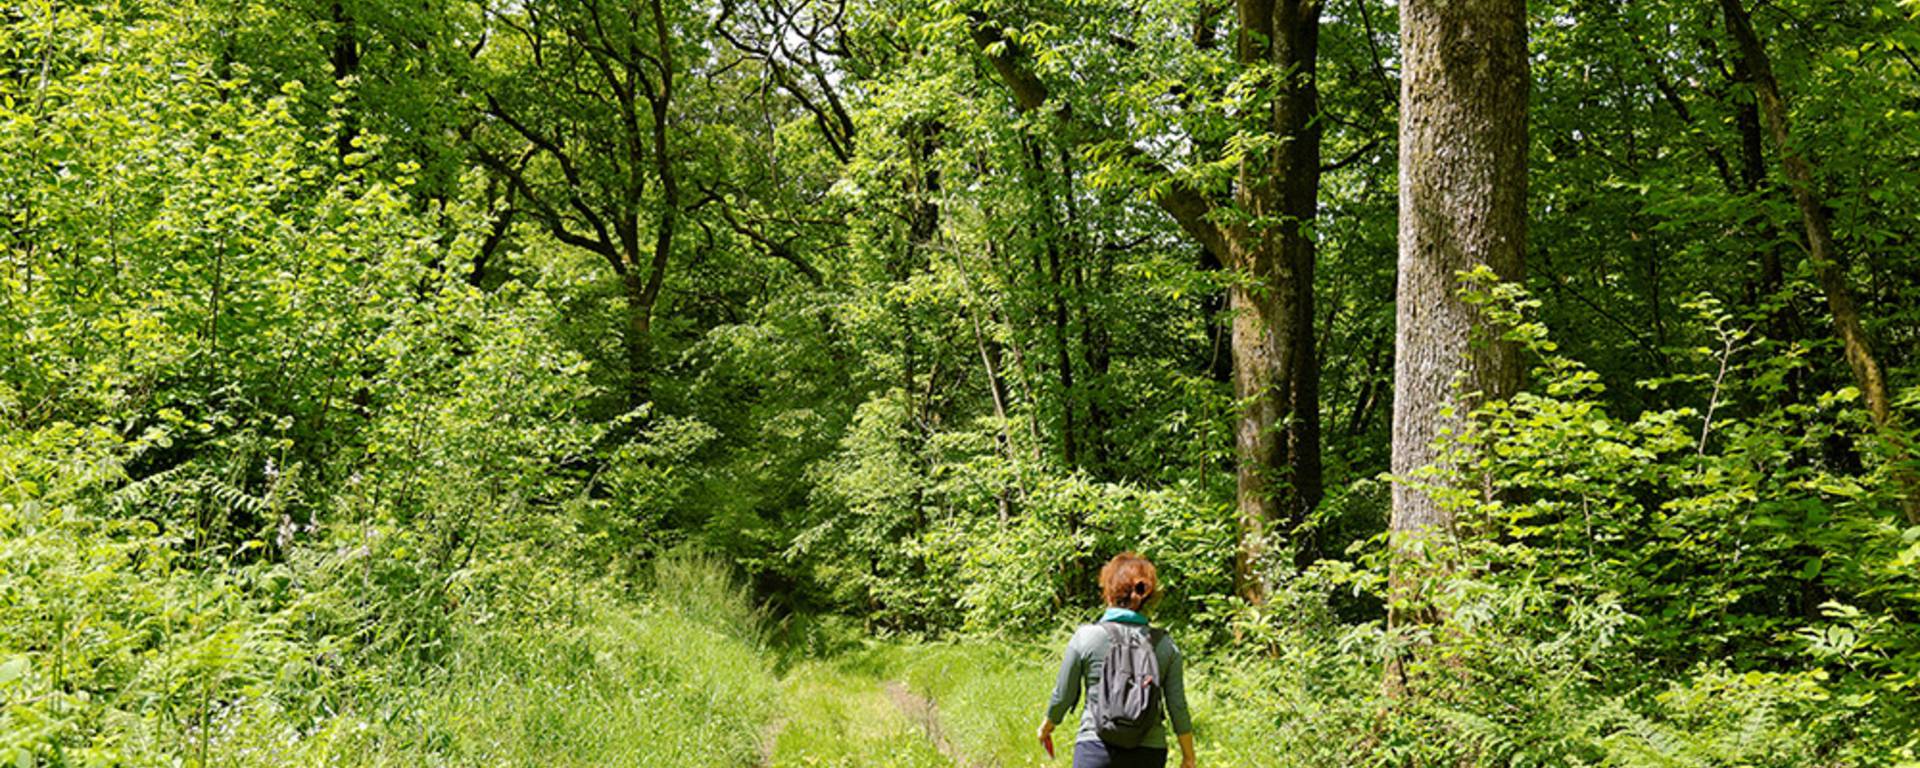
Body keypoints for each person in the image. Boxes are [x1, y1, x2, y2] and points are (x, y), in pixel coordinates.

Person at [1038, 552, 1196, 768]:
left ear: (1109, 593)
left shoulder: (1086, 637)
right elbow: (1177, 706)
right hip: (1148, 753)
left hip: (1095, 748)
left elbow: (1063, 694)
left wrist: (1048, 726)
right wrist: (1188, 756)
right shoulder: (1165, 646)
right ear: (1148, 597)